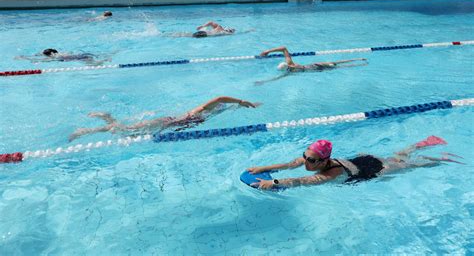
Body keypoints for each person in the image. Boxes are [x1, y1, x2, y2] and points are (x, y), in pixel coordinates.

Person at [248, 137, 463, 190]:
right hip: (358, 161)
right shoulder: (310, 159)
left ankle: (440, 158)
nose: (305, 162)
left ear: (324, 160)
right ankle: (420, 144)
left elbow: (302, 180)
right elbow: (289, 165)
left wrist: (273, 182)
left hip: (373, 168)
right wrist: (264, 169)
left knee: (409, 165)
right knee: (397, 155)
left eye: (311, 160)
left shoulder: (330, 173)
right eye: (304, 156)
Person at [69, 96, 261, 141]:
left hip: (171, 126)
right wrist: (242, 100)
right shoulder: (200, 111)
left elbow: (225, 105)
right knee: (126, 132)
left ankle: (105, 120)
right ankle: (93, 126)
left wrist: (246, 104)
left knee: (128, 133)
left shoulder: (211, 113)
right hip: (166, 122)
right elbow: (220, 98)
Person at [255, 46, 368, 85]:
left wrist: (263, 81)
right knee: (337, 63)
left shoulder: (289, 72)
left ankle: (358, 62)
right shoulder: (290, 64)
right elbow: (283, 48)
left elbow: (276, 78)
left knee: (338, 66)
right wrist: (268, 51)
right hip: (315, 65)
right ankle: (358, 59)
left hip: (317, 69)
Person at [15, 49, 110, 66]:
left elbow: (42, 60)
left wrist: (25, 58)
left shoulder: (55, 57)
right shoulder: (59, 53)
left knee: (96, 65)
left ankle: (105, 60)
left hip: (83, 58)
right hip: (84, 55)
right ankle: (106, 57)